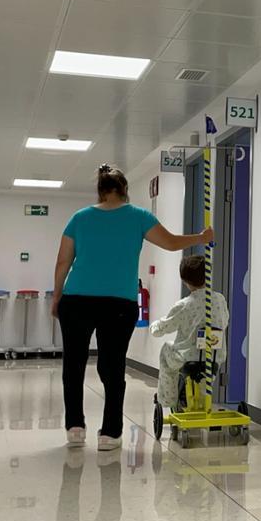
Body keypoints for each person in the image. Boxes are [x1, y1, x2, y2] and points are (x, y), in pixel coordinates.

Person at [53, 164, 212, 451]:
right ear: (124, 190)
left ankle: (75, 428)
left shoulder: (79, 218)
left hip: (76, 300)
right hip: (119, 303)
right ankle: (110, 434)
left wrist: (57, 298)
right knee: (112, 366)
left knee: (73, 364)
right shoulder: (138, 216)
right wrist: (201, 238)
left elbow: (63, 261)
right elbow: (172, 243)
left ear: (100, 191)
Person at [151, 255, 230, 411]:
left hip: (187, 357)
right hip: (215, 356)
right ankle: (201, 396)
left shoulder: (184, 305)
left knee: (166, 351)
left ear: (185, 281)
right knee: (205, 367)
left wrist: (154, 327)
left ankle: (168, 399)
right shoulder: (220, 300)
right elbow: (225, 321)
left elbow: (165, 326)